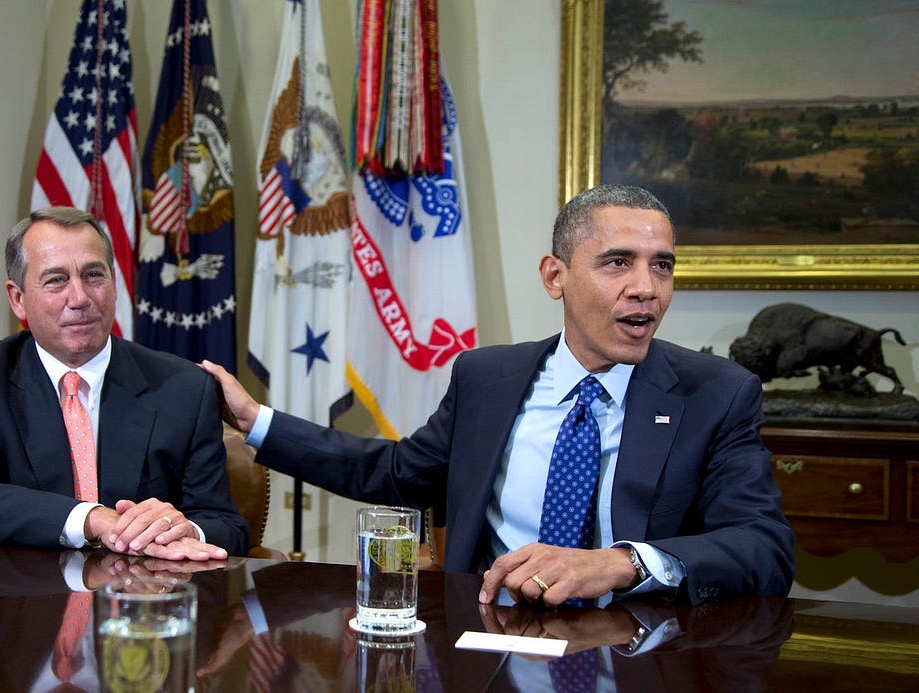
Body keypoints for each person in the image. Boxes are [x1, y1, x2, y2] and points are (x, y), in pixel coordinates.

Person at [201, 184, 794, 604]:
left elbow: (763, 549)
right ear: (554, 276)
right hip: (487, 638)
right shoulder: (489, 379)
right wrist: (256, 421)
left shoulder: (716, 394)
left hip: (635, 650)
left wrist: (620, 563)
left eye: (661, 267)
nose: (646, 289)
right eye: (618, 263)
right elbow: (395, 473)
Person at [0, 207, 247, 560]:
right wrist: (90, 518)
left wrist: (182, 529)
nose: (80, 299)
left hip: (139, 603)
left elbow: (225, 526)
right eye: (56, 280)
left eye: (93, 275)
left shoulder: (183, 387)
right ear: (18, 299)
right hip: (23, 603)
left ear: (114, 284)